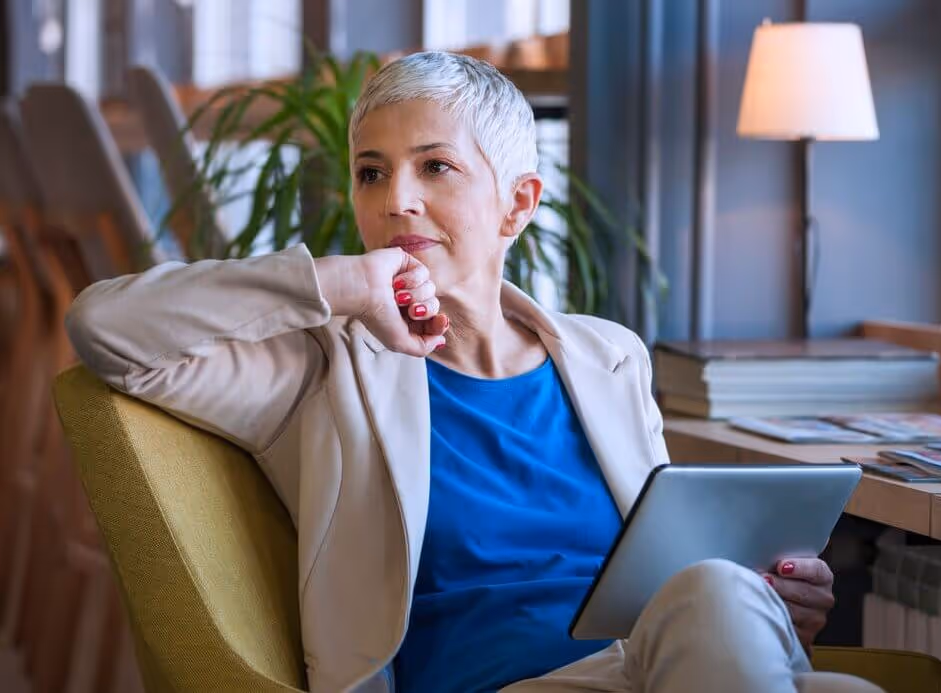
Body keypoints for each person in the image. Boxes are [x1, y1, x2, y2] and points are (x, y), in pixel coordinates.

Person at [66, 51, 882, 693]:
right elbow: (105, 328)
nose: (397, 200)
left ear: (517, 205)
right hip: (500, 685)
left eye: (435, 167)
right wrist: (347, 280)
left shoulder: (609, 357)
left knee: (732, 606)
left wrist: (768, 610)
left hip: (649, 668)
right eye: (372, 172)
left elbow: (667, 583)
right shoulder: (321, 371)